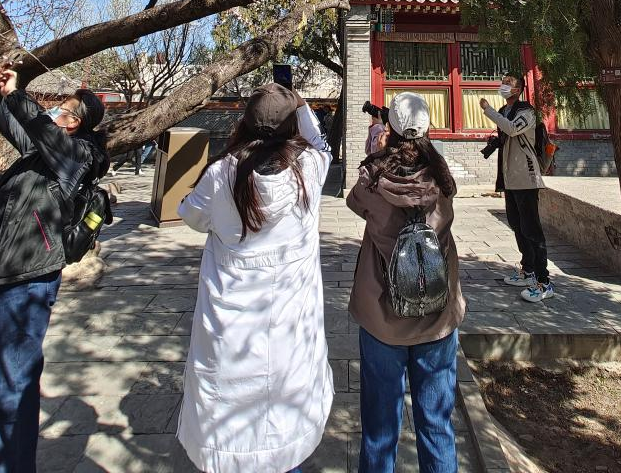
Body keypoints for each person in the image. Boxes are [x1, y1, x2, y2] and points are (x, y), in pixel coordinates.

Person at [176, 83, 333, 473]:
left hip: (231, 333)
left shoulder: (221, 174)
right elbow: (321, 143)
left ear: (244, 122)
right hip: (291, 330)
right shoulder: (309, 170)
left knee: (229, 430)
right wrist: (301, 104)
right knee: (286, 432)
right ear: (291, 124)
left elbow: (190, 215)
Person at [0, 65, 108, 473]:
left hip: (27, 279)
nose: (55, 115)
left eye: (63, 111)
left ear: (76, 124)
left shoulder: (76, 156)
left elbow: (39, 126)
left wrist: (17, 94)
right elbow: (14, 124)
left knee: (9, 387)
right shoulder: (41, 153)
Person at [348, 91, 465, 473]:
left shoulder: (372, 178)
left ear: (391, 128)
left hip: (382, 319)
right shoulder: (441, 176)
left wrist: (377, 151)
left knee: (380, 430)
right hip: (437, 318)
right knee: (437, 426)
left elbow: (354, 202)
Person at [479, 74, 554, 303]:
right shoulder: (505, 110)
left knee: (532, 229)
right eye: (502, 82)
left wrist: (488, 110)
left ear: (518, 89)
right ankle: (527, 270)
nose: (503, 86)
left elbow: (512, 129)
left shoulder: (527, 112)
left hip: (526, 177)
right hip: (510, 178)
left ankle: (544, 282)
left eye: (508, 84)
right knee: (517, 225)